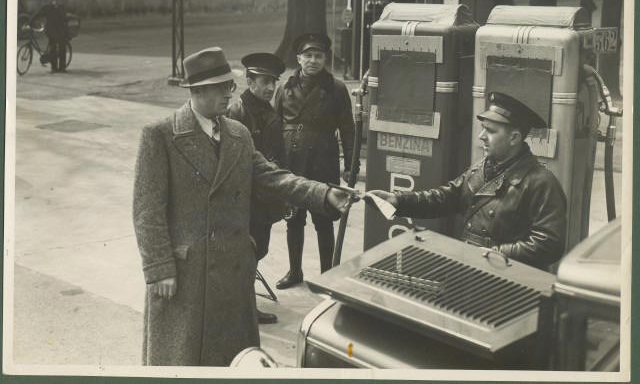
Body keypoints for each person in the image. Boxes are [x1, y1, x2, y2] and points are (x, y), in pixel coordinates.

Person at [132, 47, 355, 366]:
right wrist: (158, 268)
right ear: (197, 91)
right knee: (182, 363)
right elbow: (146, 210)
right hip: (185, 278)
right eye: (221, 87)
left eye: (230, 86)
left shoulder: (238, 134)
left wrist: (323, 194)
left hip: (233, 274)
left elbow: (273, 176)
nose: (229, 93)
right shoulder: (160, 136)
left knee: (234, 363)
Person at [368, 92, 567, 271]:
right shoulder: (482, 167)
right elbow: (446, 198)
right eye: (483, 129)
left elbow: (548, 244)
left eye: (490, 131)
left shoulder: (541, 182)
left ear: (514, 137)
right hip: (473, 272)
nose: (481, 136)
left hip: (508, 284)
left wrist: (495, 252)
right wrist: (397, 201)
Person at [274, 33, 359, 289]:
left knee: (324, 219)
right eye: (308, 55)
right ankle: (295, 271)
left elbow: (348, 128)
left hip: (323, 160)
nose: (313, 60)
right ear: (299, 58)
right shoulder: (285, 87)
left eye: (318, 56)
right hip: (292, 161)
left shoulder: (336, 88)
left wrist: (351, 165)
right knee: (293, 219)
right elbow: (274, 125)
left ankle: (326, 275)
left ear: (325, 58)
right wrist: (274, 162)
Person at [227, 52, 286, 325]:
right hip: (246, 196)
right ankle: (244, 307)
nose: (271, 87)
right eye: (264, 81)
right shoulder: (238, 112)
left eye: (273, 81)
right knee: (247, 251)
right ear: (249, 81)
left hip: (264, 195)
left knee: (258, 248)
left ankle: (241, 302)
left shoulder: (268, 111)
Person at [32, 0, 69, 72]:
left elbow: (64, 17)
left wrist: (57, 8)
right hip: (52, 31)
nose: (50, 0)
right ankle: (55, 68)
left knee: (61, 48)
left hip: (59, 30)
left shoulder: (60, 6)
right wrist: (30, 22)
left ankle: (61, 68)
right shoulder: (46, 7)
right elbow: (37, 15)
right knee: (54, 48)